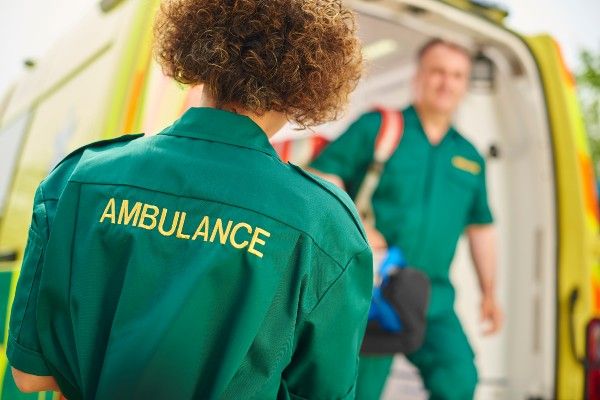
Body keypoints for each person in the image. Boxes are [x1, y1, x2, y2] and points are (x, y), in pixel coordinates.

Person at [7, 1, 372, 399]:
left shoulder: (78, 179)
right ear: (308, 83)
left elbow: (29, 375)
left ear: (197, 49)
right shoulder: (325, 225)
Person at [310, 38, 503, 399]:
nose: (447, 83)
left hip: (434, 297)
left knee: (458, 379)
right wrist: (358, 227)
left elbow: (481, 226)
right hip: (373, 291)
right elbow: (324, 174)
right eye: (438, 72)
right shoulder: (380, 128)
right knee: (357, 391)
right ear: (419, 77)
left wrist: (489, 292)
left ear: (465, 85)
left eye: (457, 75)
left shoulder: (469, 157)